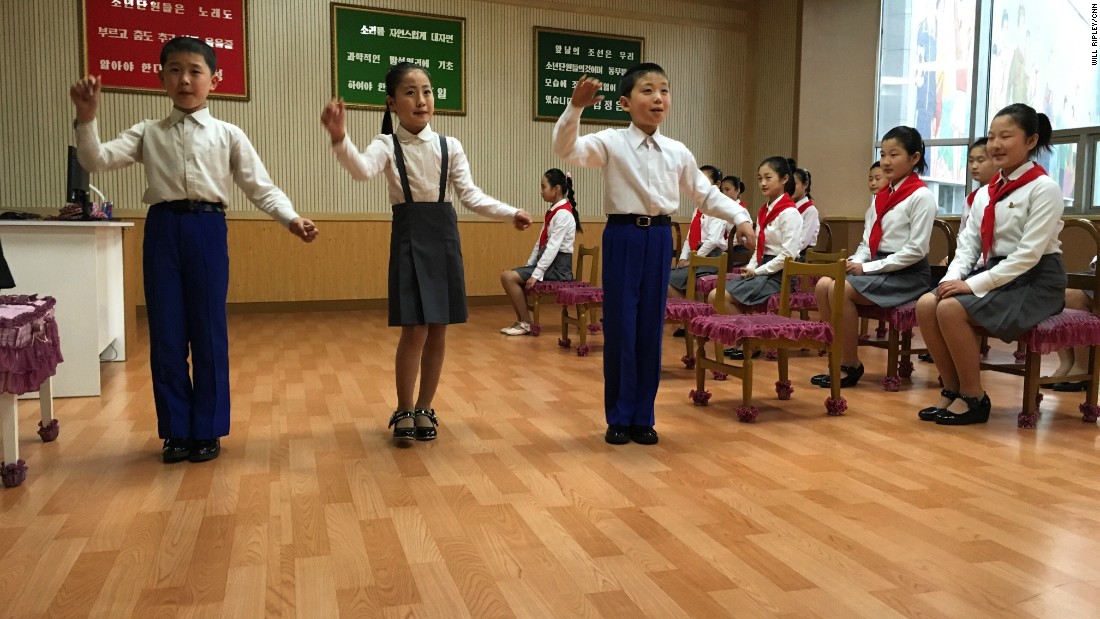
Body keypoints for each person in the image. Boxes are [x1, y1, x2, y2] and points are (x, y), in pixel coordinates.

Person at [70, 37, 319, 464]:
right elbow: (96, 160)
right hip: (163, 228)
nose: (184, 79)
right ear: (161, 76)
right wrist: (87, 118)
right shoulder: (147, 131)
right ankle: (175, 430)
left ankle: (207, 429)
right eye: (174, 70)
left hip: (207, 227)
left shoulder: (228, 134)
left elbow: (261, 187)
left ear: (214, 80)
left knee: (207, 331)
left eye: (195, 71)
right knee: (166, 333)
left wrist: (291, 218)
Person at [322, 62, 532, 441]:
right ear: (392, 103)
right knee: (414, 328)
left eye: (427, 91)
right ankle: (403, 408)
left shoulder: (450, 146)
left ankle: (425, 408)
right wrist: (340, 139)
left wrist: (509, 213)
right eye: (410, 92)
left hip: (444, 238)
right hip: (409, 236)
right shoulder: (385, 145)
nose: (421, 100)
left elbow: (470, 195)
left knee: (438, 328)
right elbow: (361, 170)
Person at [553, 63, 754, 446]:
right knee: (620, 327)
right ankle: (618, 416)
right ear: (626, 103)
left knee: (649, 328)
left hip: (660, 238)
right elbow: (567, 150)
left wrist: (740, 216)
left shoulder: (677, 151)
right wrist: (575, 109)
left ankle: (643, 416)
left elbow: (706, 195)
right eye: (647, 90)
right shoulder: (611, 142)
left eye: (664, 90)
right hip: (623, 235)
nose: (658, 97)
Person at [915, 103, 1063, 425]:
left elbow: (1028, 255)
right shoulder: (986, 193)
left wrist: (970, 285)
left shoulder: (1044, 189)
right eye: (992, 136)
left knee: (951, 309)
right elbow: (967, 246)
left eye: (1006, 136)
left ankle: (974, 397)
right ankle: (952, 390)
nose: (995, 144)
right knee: (928, 304)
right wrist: (950, 280)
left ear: (1031, 140)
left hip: (1036, 281)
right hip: (996, 273)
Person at [811, 126, 937, 388]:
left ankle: (850, 364)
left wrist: (868, 269)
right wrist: (856, 262)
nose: (886, 161)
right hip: (879, 266)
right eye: (883, 154)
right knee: (824, 284)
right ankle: (837, 358)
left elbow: (916, 250)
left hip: (907, 273)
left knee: (838, 290)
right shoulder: (882, 196)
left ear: (914, 158)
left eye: (894, 154)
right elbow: (868, 241)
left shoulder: (921, 196)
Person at [712, 156, 802, 360]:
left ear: (784, 179)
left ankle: (751, 341)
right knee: (715, 295)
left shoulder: (790, 213)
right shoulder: (764, 211)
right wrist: (751, 267)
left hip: (780, 275)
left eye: (768, 177)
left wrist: (758, 271)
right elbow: (759, 248)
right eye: (760, 178)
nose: (762, 183)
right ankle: (749, 340)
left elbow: (788, 255)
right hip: (762, 270)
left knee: (720, 295)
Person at [499, 168, 580, 335]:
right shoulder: (553, 212)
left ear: (556, 189)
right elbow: (540, 243)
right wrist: (531, 265)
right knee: (509, 276)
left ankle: (526, 322)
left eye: (544, 187)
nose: (541, 191)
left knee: (508, 277)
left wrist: (536, 273)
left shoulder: (564, 214)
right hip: (549, 264)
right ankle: (522, 320)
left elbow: (553, 247)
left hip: (558, 269)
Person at [667, 166, 729, 302]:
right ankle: (685, 315)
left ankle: (688, 314)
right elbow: (690, 237)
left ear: (717, 184)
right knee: (664, 275)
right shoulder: (698, 209)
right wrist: (683, 258)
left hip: (711, 259)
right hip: (696, 256)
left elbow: (712, 241)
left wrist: (693, 260)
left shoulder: (719, 208)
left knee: (667, 280)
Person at [791, 163, 819, 256]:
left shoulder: (810, 210)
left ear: (805, 184)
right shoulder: (788, 208)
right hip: (784, 252)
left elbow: (802, 242)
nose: (790, 188)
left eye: (794, 184)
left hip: (801, 255)